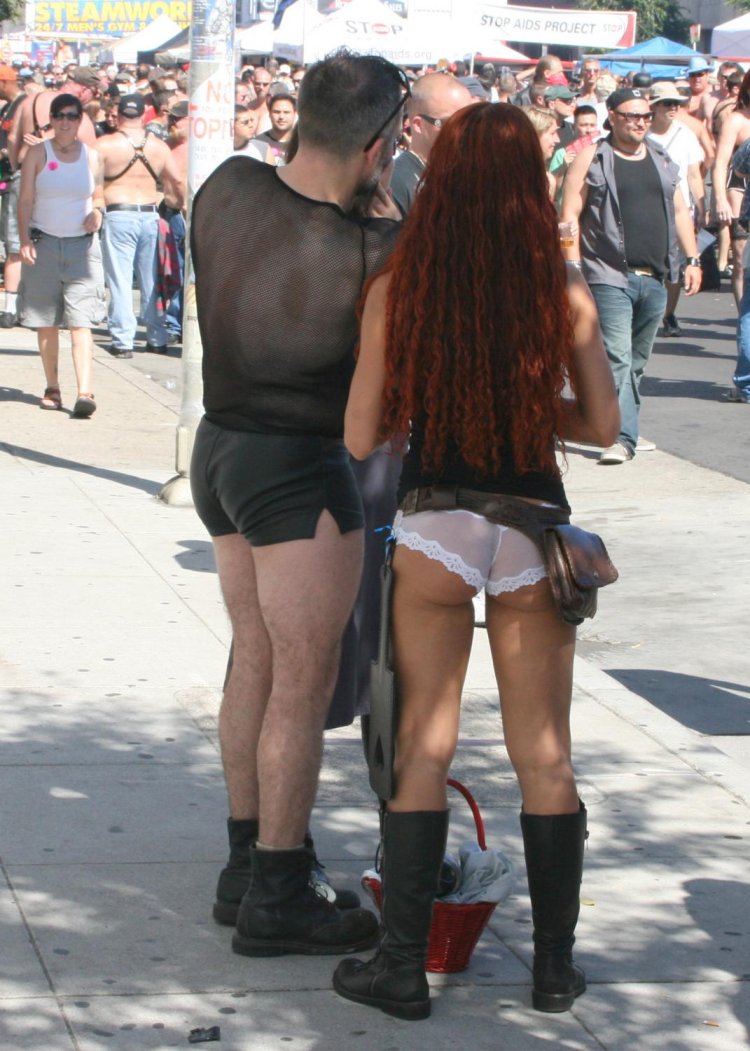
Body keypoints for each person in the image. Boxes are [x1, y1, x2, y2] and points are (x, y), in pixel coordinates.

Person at [333, 101, 619, 1022]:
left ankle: (403, 969)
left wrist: (432, 409)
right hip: (533, 530)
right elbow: (607, 426)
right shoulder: (561, 289)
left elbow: (361, 431)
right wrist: (532, 417)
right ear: (528, 187)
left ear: (444, 181)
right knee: (546, 755)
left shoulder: (400, 286)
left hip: (435, 527)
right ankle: (551, 971)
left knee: (424, 745)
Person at [189, 51, 406, 959]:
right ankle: (279, 885)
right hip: (300, 469)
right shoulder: (375, 246)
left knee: (254, 660)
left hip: (221, 446)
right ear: (380, 144)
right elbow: (370, 414)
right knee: (302, 683)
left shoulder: (226, 185)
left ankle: (248, 860)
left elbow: (288, 217)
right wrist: (383, 203)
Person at [562, 88, 702, 464]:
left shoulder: (661, 158)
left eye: (645, 116)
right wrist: (572, 267)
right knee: (617, 357)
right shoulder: (593, 157)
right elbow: (569, 214)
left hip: (655, 276)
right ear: (613, 116)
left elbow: (680, 212)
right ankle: (621, 437)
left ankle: (619, 423)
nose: (640, 121)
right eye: (631, 115)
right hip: (608, 274)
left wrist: (692, 259)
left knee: (637, 362)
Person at [16, 92, 105, 417]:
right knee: (47, 322)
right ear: (51, 120)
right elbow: (25, 199)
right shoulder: (39, 153)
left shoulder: (92, 157)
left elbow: (99, 195)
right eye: (60, 116)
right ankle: (52, 387)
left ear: (80, 120)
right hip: (45, 243)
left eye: (71, 116)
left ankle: (85, 391)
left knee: (82, 322)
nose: (65, 122)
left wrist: (98, 212)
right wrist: (24, 239)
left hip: (82, 246)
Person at [96, 94, 184, 357]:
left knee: (120, 280)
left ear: (119, 114)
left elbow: (91, 181)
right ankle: (156, 337)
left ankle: (122, 340)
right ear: (144, 115)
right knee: (151, 279)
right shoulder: (158, 146)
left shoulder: (105, 145)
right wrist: (176, 203)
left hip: (118, 212)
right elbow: (177, 181)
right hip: (149, 214)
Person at [647, 83, 705, 337]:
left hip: (680, 209)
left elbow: (694, 175)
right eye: (667, 103)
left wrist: (702, 207)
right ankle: (646, 312)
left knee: (675, 266)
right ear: (654, 106)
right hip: (648, 208)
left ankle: (668, 314)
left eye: (676, 104)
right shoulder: (642, 133)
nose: (673, 108)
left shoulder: (686, 134)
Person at [389, 72, 472, 216]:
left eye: (470, 120)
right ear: (418, 125)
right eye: (450, 122)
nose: (464, 130)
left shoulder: (466, 173)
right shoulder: (397, 182)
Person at [713, 69, 750, 310]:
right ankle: (745, 316)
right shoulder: (736, 120)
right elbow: (720, 163)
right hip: (738, 191)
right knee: (741, 259)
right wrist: (719, 199)